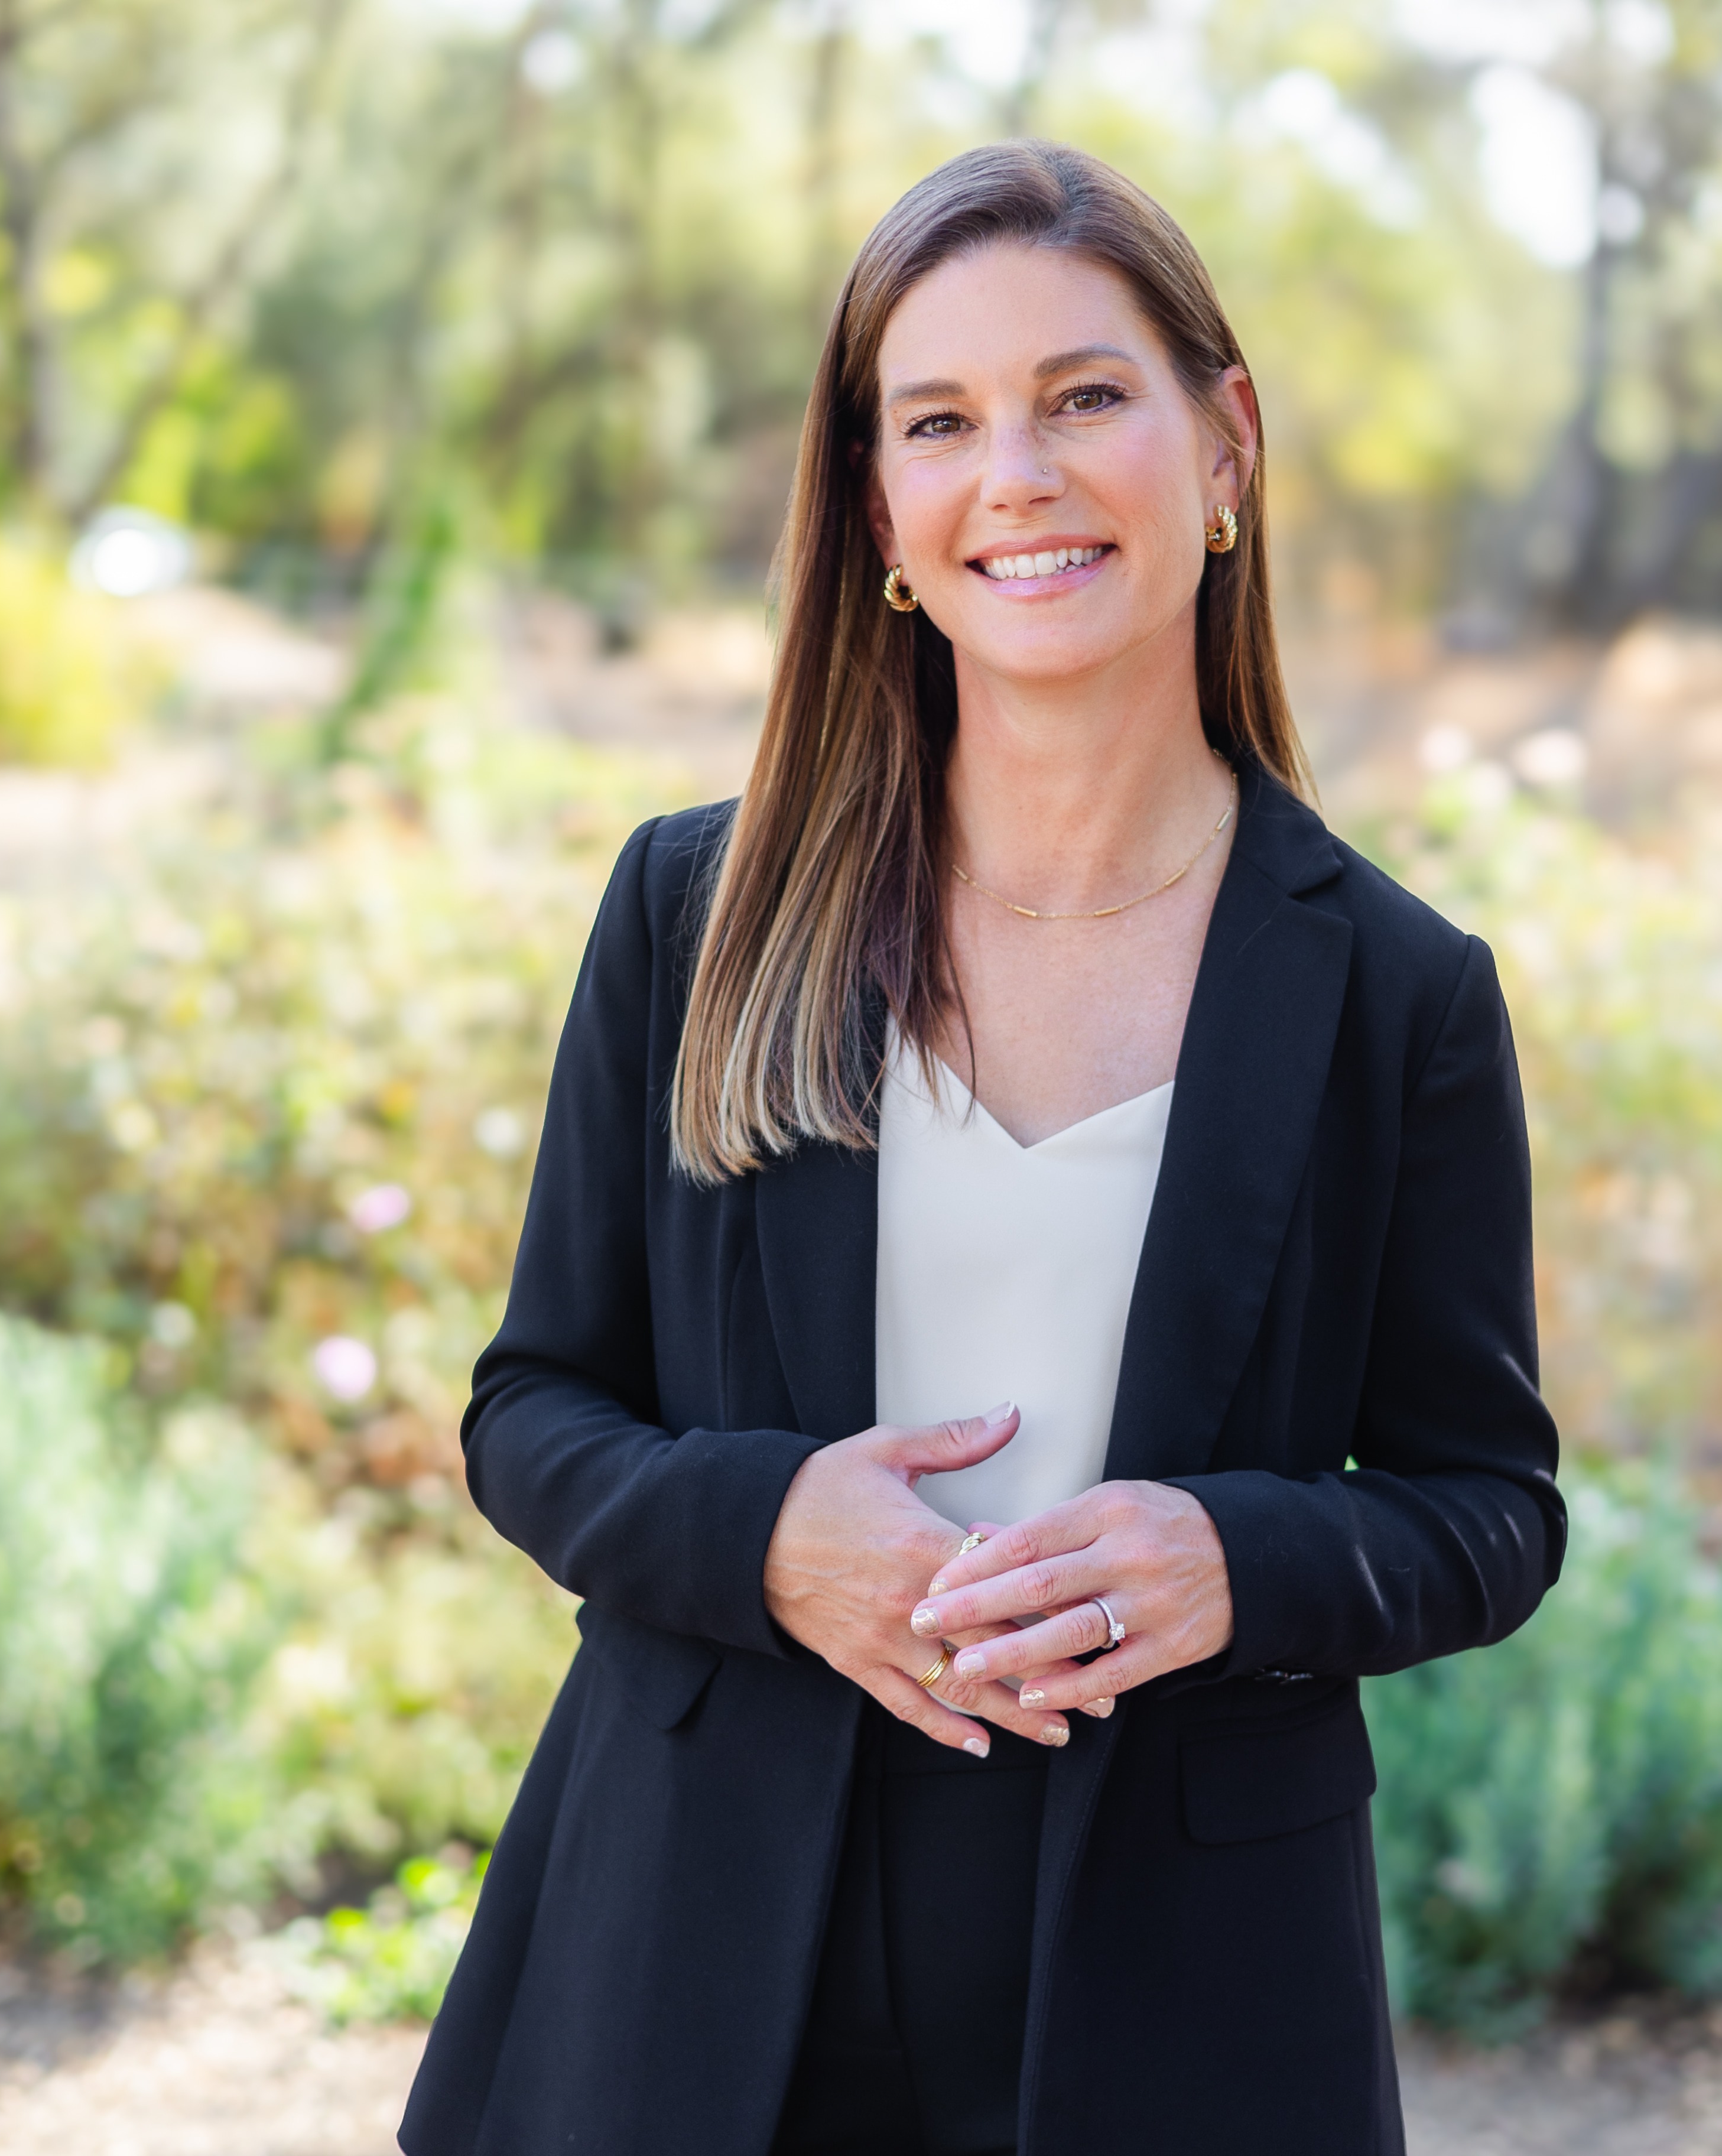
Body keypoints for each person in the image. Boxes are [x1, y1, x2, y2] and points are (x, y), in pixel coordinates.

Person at [399, 139, 1564, 2156]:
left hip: (1185, 1984)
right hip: (690, 1952)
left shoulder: (1397, 989)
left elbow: (1488, 1504)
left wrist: (1242, 1560)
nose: (1014, 474)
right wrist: (765, 1536)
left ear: (1227, 451)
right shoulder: (697, 918)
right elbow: (532, 1411)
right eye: (938, 420)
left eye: (1085, 396)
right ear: (880, 512)